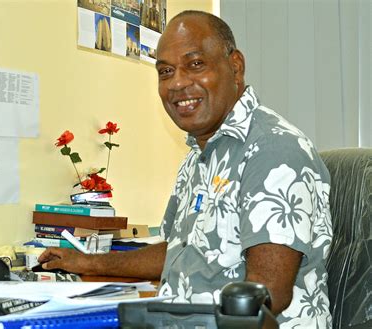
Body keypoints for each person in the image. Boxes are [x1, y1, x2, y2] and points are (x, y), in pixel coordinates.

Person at [38, 10, 332, 328]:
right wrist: (88, 262)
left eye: (195, 64)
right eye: (165, 71)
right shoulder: (199, 154)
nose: (177, 83)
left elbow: (265, 294)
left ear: (236, 67)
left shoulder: (273, 150)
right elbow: (177, 252)